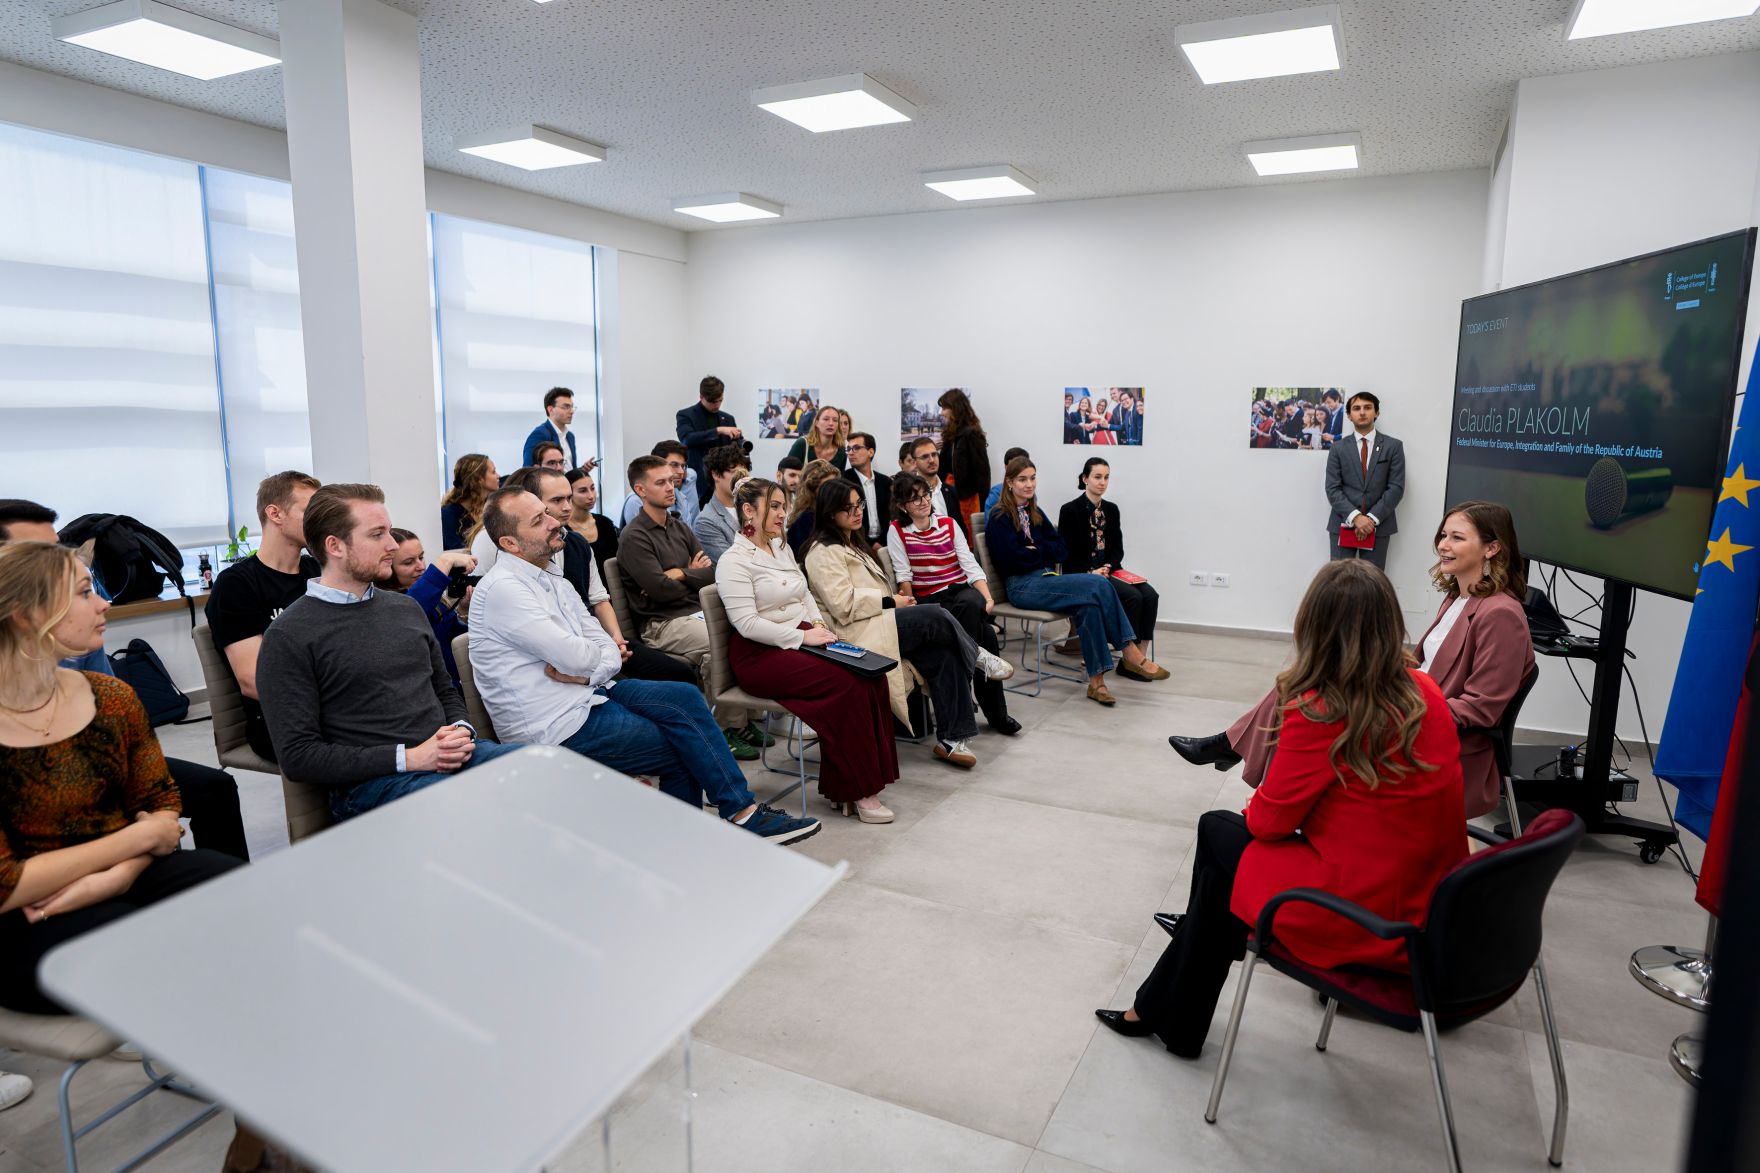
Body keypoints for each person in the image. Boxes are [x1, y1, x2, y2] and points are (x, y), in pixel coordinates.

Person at [1095, 560, 1467, 1058]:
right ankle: (1173, 996)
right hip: (1431, 899)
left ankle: (1177, 994)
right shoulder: (1426, 692)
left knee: (1220, 836)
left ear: (1314, 625)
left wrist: (1267, 803)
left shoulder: (1323, 706)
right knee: (1220, 860)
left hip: (1368, 914)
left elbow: (1268, 824)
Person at [467, 489, 819, 844]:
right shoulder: (505, 590)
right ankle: (690, 842)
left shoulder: (548, 575)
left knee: (684, 696)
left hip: (589, 692)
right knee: (682, 746)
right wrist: (592, 662)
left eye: (547, 512)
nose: (553, 521)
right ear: (510, 543)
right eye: (538, 520)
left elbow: (601, 643)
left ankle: (738, 815)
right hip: (555, 723)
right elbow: (576, 655)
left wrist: (589, 671)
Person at [1169, 503, 1533, 821]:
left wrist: (1398, 704)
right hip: (1413, 704)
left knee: (1308, 708)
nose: (1442, 545)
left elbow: (1481, 709)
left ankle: (1256, 781)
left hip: (1436, 734)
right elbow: (1424, 665)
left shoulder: (1501, 614)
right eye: (1443, 535)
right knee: (1305, 683)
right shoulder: (1458, 597)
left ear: (1492, 548)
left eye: (1456, 538)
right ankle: (1266, 795)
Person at [0, 542, 242, 1018]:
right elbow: (6, 883)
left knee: (242, 895)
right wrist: (136, 840)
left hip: (124, 874)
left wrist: (115, 878)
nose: (104, 603)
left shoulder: (111, 697)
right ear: (26, 616)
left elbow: (161, 805)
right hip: (26, 918)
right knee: (159, 951)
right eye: (84, 592)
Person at [256, 484, 526, 820]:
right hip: (375, 782)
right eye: (377, 535)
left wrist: (459, 730)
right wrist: (411, 758)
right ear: (335, 546)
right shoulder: (289, 635)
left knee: (538, 770)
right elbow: (298, 757)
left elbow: (444, 690)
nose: (392, 545)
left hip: (447, 756)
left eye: (388, 531)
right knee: (474, 813)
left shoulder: (405, 609)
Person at [1, 501, 251, 861]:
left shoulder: (86, 659)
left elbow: (113, 719)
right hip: (43, 793)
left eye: (55, 549)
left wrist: (155, 814)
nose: (54, 563)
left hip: (99, 760)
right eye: (36, 552)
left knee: (212, 790)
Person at [716, 478, 900, 823]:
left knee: (872, 676)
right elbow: (748, 624)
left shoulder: (780, 547)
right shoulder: (733, 561)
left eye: (783, 506)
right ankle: (859, 791)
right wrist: (803, 637)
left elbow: (804, 595)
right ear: (748, 510)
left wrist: (818, 626)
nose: (781, 513)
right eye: (774, 506)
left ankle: (849, 785)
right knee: (847, 685)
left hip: (801, 636)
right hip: (759, 655)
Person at [804, 480, 1010, 769]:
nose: (857, 511)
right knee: (934, 614)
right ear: (830, 513)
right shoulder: (822, 552)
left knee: (945, 652)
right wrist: (892, 601)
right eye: (848, 508)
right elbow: (842, 604)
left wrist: (895, 602)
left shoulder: (852, 542)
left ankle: (952, 739)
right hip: (857, 632)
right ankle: (976, 655)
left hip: (878, 619)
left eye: (859, 504)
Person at [476, 468, 698, 688]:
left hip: (595, 637)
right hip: (562, 649)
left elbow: (598, 601)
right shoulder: (511, 556)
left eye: (569, 498)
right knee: (631, 688)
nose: (567, 507)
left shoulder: (577, 544)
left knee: (680, 675)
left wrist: (616, 639)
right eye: (556, 501)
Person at [616, 455, 768, 757]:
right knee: (719, 647)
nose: (670, 487)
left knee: (747, 634)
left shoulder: (679, 527)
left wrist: (681, 573)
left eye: (672, 481)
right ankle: (725, 729)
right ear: (640, 490)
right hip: (661, 623)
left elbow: (713, 572)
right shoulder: (634, 536)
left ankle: (744, 719)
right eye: (660, 482)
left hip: (694, 612)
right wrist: (690, 573)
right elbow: (660, 592)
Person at [984, 456, 1167, 705]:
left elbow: (1061, 549)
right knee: (1099, 583)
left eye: (1033, 478)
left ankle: (1097, 682)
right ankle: (1130, 651)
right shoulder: (999, 517)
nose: (1029, 484)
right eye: (1022, 479)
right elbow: (1010, 561)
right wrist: (1042, 551)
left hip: (1046, 578)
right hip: (1022, 586)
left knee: (1089, 605)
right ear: (1009, 483)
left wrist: (1034, 550)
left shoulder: (1034, 512)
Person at [887, 472, 1020, 736]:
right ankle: (996, 714)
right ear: (902, 506)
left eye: (925, 495)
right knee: (986, 636)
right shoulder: (897, 531)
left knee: (972, 602)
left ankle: (965, 684)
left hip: (959, 594)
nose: (924, 502)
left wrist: (988, 598)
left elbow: (969, 565)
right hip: (930, 601)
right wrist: (912, 607)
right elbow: (904, 575)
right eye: (915, 499)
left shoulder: (948, 524)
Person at [204, 470, 321, 762]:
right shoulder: (236, 585)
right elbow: (254, 681)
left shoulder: (319, 572)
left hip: (331, 705)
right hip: (282, 724)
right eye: (310, 511)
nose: (320, 520)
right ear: (275, 514)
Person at [1057, 458, 1160, 664]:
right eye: (1097, 477)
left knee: (1150, 595)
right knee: (1133, 597)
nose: (1102, 482)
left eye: (1106, 477)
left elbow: (1117, 549)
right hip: (1084, 573)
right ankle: (1127, 655)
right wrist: (1091, 571)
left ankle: (1140, 655)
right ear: (1085, 479)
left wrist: (1108, 566)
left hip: (1109, 570)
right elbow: (1065, 553)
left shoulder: (1112, 509)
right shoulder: (1069, 510)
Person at [383, 528, 476, 688]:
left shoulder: (435, 599)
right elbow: (411, 610)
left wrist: (463, 611)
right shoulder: (387, 606)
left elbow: (454, 639)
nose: (420, 566)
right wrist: (444, 562)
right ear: (387, 566)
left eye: (421, 557)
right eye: (408, 562)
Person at [1324, 391, 1404, 569]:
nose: (1362, 412)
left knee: (1373, 581)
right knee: (1339, 579)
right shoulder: (1338, 448)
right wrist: (1356, 518)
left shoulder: (1393, 447)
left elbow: (1396, 488)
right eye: (1356, 408)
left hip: (1379, 525)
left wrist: (1370, 519)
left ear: (1377, 412)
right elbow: (1332, 488)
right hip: (1343, 522)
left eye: (1367, 407)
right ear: (1349, 415)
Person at [676, 376, 743, 506]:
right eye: (712, 401)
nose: (717, 405)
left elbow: (734, 449)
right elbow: (687, 439)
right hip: (699, 481)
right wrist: (718, 430)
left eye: (720, 400)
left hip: (724, 480)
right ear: (701, 396)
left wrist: (739, 441)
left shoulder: (728, 418)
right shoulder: (686, 415)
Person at [937, 388, 991, 532]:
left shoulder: (971, 434)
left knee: (967, 536)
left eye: (945, 408)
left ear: (956, 408)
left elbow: (983, 472)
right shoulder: (951, 434)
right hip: (949, 494)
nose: (941, 412)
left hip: (967, 499)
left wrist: (984, 506)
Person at [619, 441, 700, 529]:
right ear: (657, 464)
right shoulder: (636, 501)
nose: (681, 472)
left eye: (683, 466)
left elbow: (688, 534)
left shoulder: (680, 497)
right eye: (674, 465)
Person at [694, 443, 752, 563]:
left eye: (744, 473)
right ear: (716, 474)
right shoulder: (706, 521)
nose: (742, 479)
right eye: (735, 473)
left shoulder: (753, 507)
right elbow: (733, 564)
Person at [564, 466, 618, 575]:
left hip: (608, 583)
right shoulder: (562, 530)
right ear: (569, 494)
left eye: (592, 488)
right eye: (583, 491)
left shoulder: (605, 523)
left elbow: (616, 561)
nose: (591, 496)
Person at [841, 432, 891, 548]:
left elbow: (891, 516)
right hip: (856, 544)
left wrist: (881, 543)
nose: (851, 453)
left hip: (886, 543)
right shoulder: (843, 481)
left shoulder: (886, 482)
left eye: (856, 448)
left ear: (870, 452)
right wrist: (871, 544)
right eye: (848, 449)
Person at [440, 453, 499, 551]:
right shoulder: (448, 514)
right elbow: (458, 550)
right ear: (479, 479)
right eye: (493, 472)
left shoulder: (492, 508)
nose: (498, 476)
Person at [785, 459, 843, 558]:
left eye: (835, 485)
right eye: (826, 487)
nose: (833, 491)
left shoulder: (837, 514)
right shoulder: (805, 521)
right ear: (812, 491)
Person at [911, 438, 966, 533]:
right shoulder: (909, 493)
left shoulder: (951, 491)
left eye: (934, 454)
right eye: (925, 457)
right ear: (914, 462)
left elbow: (961, 528)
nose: (931, 460)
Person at [523, 386, 581, 469]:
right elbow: (528, 470)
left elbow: (569, 470)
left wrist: (583, 469)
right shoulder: (540, 434)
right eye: (566, 407)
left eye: (572, 407)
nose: (571, 411)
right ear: (550, 409)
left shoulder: (570, 436)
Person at [786, 405, 848, 471]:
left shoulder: (841, 449)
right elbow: (787, 472)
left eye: (835, 420)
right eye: (826, 419)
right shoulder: (802, 444)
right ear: (816, 423)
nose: (831, 423)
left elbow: (841, 477)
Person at [984, 448, 1027, 514]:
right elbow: (990, 519)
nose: (1019, 470)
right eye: (1014, 466)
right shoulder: (997, 493)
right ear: (1006, 467)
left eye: (1023, 466)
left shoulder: (1029, 491)